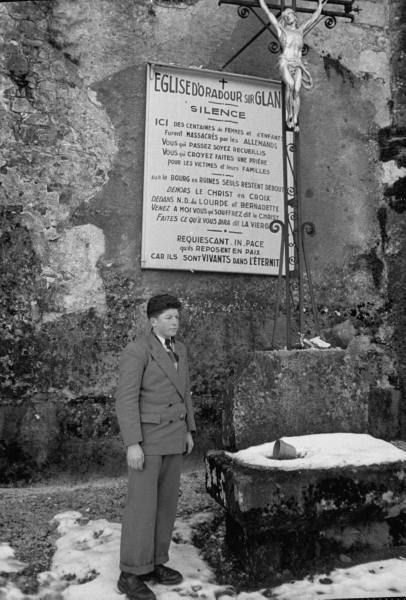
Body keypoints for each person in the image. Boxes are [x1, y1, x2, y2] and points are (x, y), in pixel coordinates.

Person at [115, 294, 196, 600]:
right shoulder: (138, 350)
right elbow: (126, 399)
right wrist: (132, 443)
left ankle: (155, 562)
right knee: (141, 507)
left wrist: (189, 429)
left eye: (176, 317)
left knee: (165, 506)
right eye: (168, 318)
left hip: (174, 436)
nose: (175, 322)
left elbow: (184, 391)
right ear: (153, 322)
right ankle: (131, 572)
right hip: (148, 440)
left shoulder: (181, 349)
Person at [259, 0, 328, 131]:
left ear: (294, 16)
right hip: (286, 61)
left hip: (298, 64)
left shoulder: (300, 31)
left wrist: (319, 6)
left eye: (289, 14)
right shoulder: (282, 31)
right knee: (289, 86)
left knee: (296, 91)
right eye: (285, 16)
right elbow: (268, 13)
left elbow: (313, 18)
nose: (287, 17)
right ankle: (288, 117)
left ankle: (295, 119)